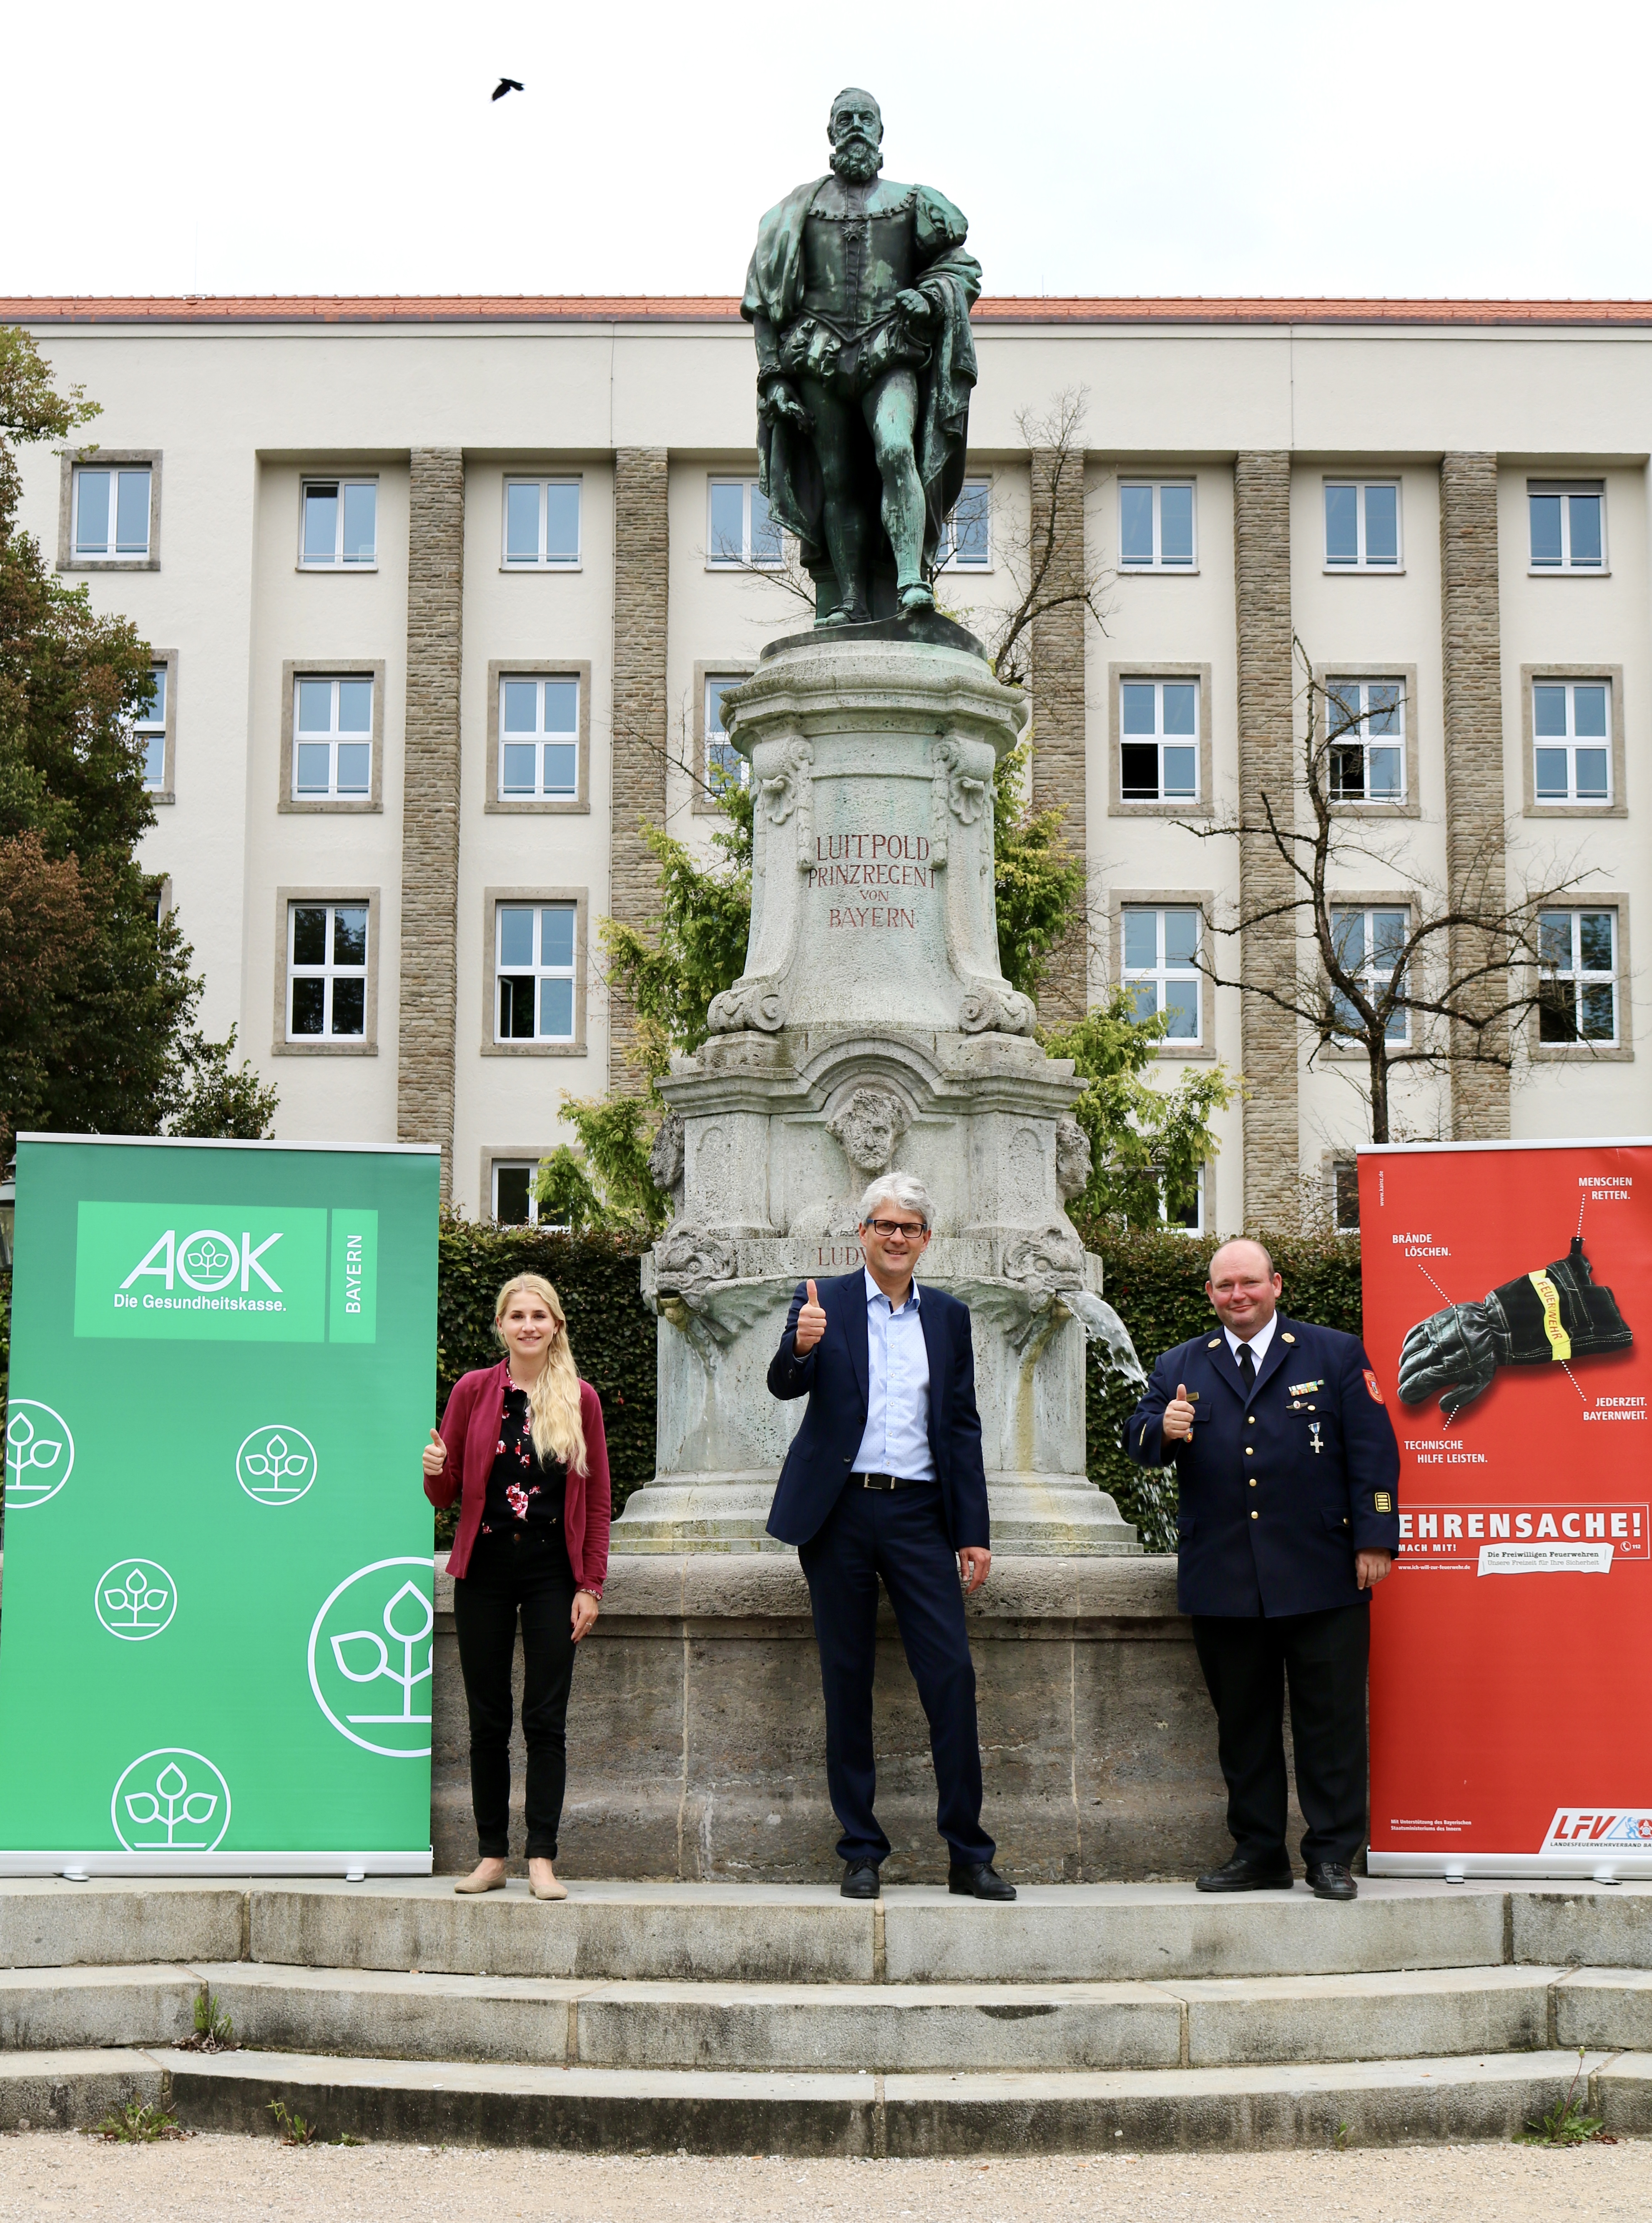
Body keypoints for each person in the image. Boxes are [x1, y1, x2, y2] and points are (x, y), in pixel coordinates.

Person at [1125, 1238, 1400, 1901]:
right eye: (1224, 1285)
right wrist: (1163, 1425)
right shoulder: (1180, 1363)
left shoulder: (1332, 1352)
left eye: (1249, 1282)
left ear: (1276, 1284)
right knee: (1242, 1725)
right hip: (1224, 1577)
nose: (1237, 1295)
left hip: (1323, 1572)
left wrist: (1375, 1539)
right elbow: (1137, 1442)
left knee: (1329, 1722)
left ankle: (1331, 1855)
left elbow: (1373, 1453)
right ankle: (1257, 1853)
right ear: (1209, 1293)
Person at [766, 1172, 1013, 1901]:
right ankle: (860, 1849)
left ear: (926, 1240)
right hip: (838, 1513)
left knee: (952, 1677)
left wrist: (972, 1529)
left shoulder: (948, 1316)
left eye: (910, 1227)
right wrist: (802, 1348)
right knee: (847, 1679)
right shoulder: (822, 1301)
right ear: (863, 1234)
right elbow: (784, 1384)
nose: (896, 1237)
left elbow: (961, 1424)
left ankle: (968, 1853)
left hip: (918, 1514)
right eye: (885, 1225)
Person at [742, 87, 981, 626]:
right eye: (844, 119)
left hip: (889, 350)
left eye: (865, 118)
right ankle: (849, 599)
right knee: (838, 479)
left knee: (896, 449)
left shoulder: (913, 201)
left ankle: (910, 582)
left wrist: (928, 296)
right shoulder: (790, 214)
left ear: (880, 132)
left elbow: (960, 269)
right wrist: (773, 378)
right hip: (818, 357)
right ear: (830, 133)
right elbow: (764, 307)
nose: (855, 127)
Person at [422, 1274, 610, 1901]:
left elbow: (600, 1498)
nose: (528, 1325)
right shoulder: (474, 1391)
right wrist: (433, 1471)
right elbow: (446, 1495)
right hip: (485, 1570)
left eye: (539, 1315)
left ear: (556, 1325)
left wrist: (591, 1584)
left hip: (553, 1573)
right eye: (517, 1315)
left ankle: (542, 1858)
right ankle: (492, 1855)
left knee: (545, 1720)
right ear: (500, 1325)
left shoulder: (579, 1398)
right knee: (487, 1719)